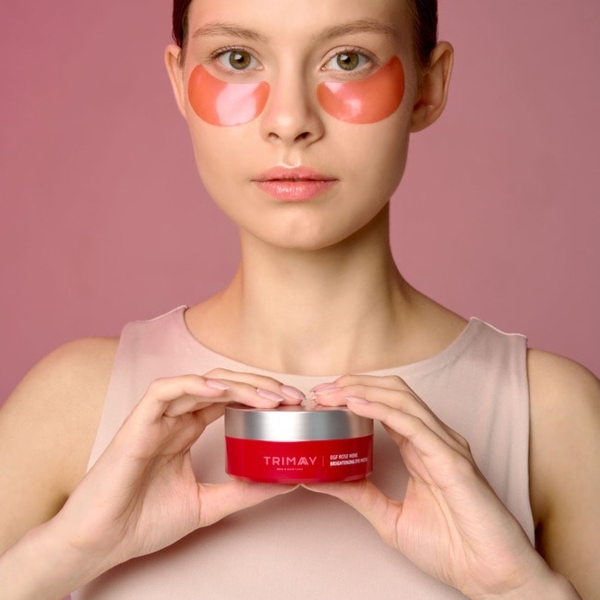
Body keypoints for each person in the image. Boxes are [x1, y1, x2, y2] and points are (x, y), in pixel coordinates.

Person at [0, 0, 598, 597]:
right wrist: (66, 553)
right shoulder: (71, 403)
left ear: (429, 87)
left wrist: (517, 589)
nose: (289, 121)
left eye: (349, 59)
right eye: (237, 59)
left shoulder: (551, 417)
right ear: (179, 83)